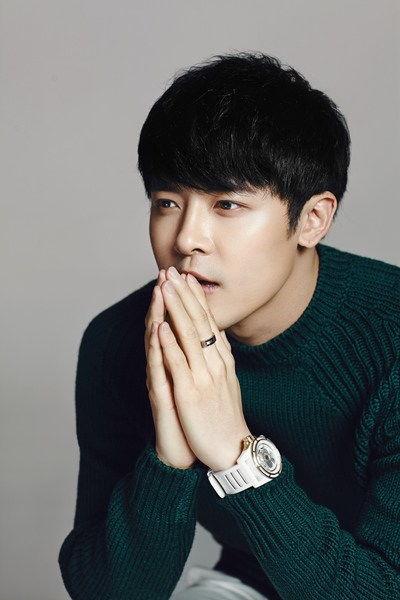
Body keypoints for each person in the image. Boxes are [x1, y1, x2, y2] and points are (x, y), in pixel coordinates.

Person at [58, 52, 400, 600]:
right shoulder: (119, 343)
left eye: (227, 204)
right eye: (167, 202)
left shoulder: (390, 339)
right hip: (253, 583)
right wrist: (169, 459)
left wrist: (237, 456)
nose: (186, 238)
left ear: (313, 219)